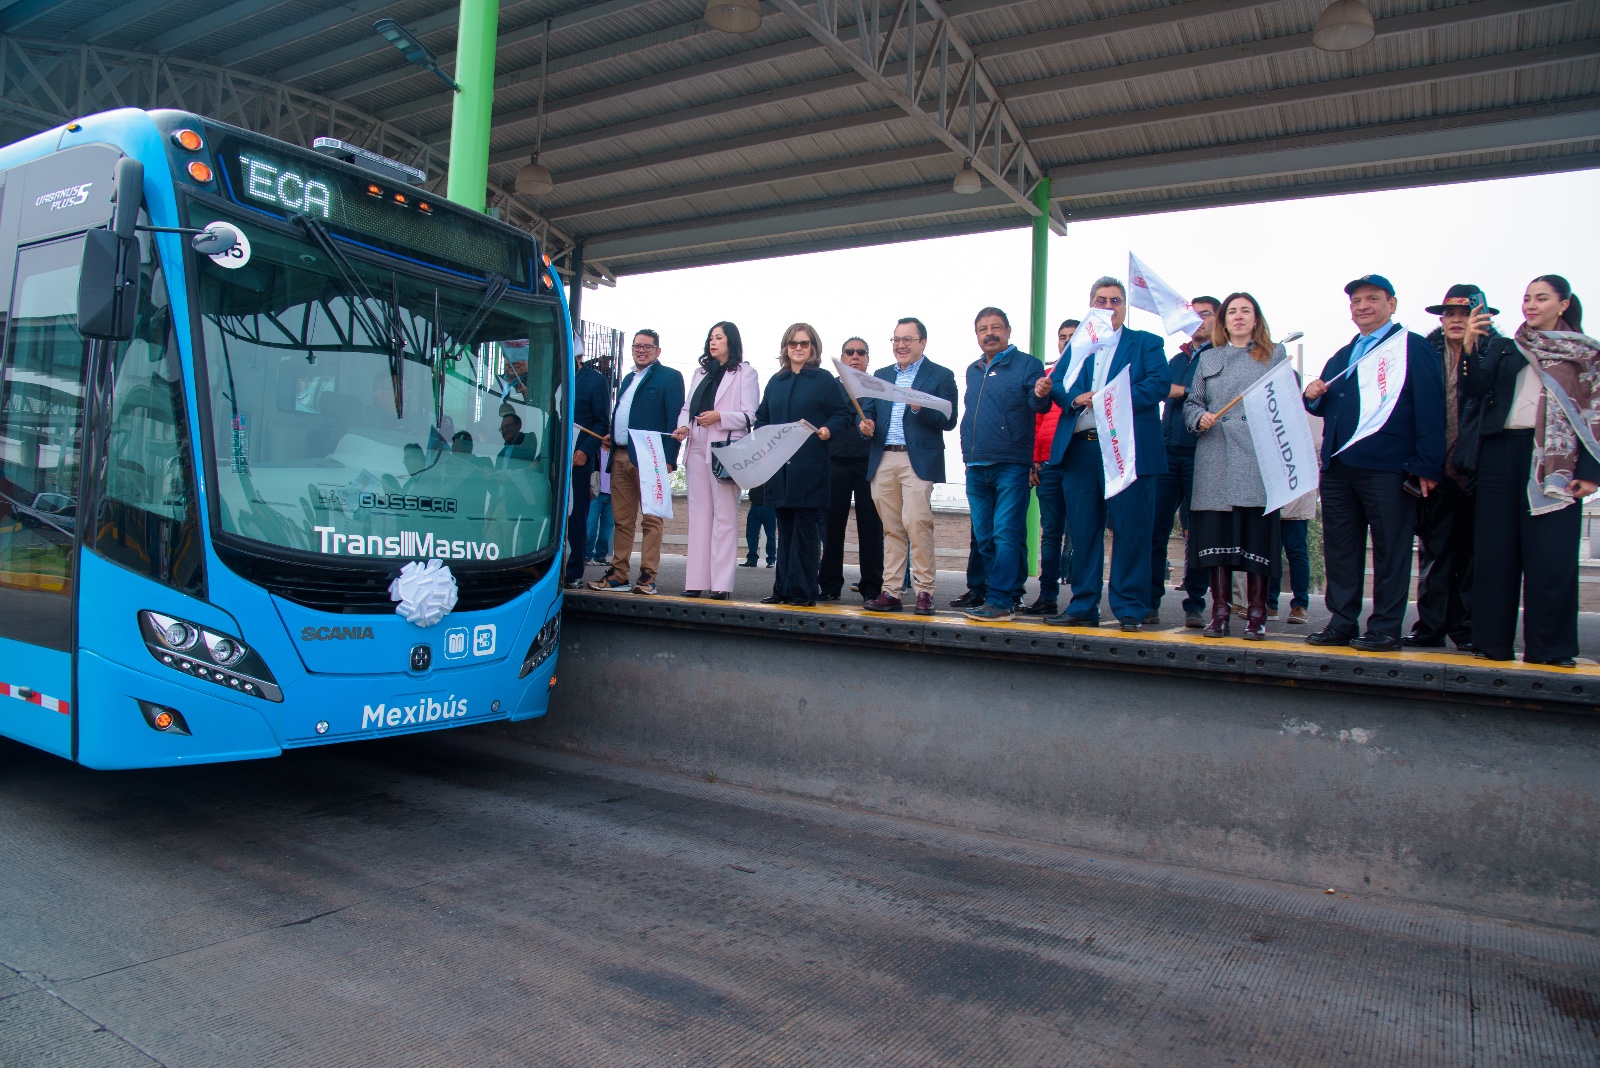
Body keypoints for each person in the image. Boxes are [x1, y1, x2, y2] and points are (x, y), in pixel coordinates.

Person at [1303, 275, 1445, 652]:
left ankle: (1385, 627)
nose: (1363, 306)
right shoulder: (1344, 353)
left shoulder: (1412, 347)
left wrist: (1427, 465)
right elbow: (1329, 403)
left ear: (1391, 304)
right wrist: (1312, 396)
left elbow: (1431, 408)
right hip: (1339, 468)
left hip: (1388, 466)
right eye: (1356, 301)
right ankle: (1342, 621)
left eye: (1372, 299)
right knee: (1341, 549)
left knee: (1390, 551)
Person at [1463, 275, 1596, 666]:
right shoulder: (1507, 347)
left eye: (1541, 298)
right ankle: (1491, 642)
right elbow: (1475, 391)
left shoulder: (1585, 353)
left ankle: (1551, 649)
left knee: (1552, 556)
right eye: (1526, 298)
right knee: (1495, 553)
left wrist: (1591, 473)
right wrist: (1470, 348)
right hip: (1500, 453)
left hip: (1557, 462)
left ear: (1564, 304)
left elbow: (1595, 413)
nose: (1531, 306)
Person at [1032, 278, 1171, 631]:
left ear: (1124, 306)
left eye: (1115, 300)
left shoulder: (1146, 343)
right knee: (1082, 532)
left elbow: (1157, 384)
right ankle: (1083, 605)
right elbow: (1058, 384)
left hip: (1127, 450)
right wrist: (1073, 399)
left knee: (1130, 531)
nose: (1108, 306)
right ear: (1091, 305)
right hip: (1080, 450)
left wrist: (1111, 398)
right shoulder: (1079, 346)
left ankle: (1130, 609)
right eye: (1101, 300)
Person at [1184, 293, 1288, 640]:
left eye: (1246, 310)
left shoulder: (1275, 354)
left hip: (1256, 458)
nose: (1239, 316)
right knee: (1217, 539)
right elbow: (1192, 402)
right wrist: (1199, 417)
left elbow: (1285, 402)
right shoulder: (1208, 357)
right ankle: (1219, 613)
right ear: (1224, 321)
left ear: (1256, 319)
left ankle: (1257, 614)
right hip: (1215, 455)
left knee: (1255, 537)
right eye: (1232, 311)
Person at [1407, 284, 1494, 651]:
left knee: (1475, 556)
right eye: (1449, 314)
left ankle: (1468, 629)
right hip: (1436, 470)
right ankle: (1430, 627)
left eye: (1465, 314)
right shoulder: (1426, 354)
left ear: (1481, 318)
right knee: (1435, 553)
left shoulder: (1497, 353)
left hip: (1480, 470)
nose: (1456, 320)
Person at [857, 318, 960, 614]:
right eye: (896, 340)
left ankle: (925, 590)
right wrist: (865, 424)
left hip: (917, 460)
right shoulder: (880, 376)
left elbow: (949, 419)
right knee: (891, 529)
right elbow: (867, 411)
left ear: (922, 343)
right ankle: (891, 592)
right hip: (883, 457)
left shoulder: (941, 375)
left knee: (917, 523)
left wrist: (919, 408)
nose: (900, 345)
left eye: (907, 339)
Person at [957, 307, 1044, 622]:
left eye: (996, 327)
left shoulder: (1028, 365)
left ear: (1008, 331)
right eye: (983, 329)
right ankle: (1001, 594)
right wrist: (967, 454)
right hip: (976, 464)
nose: (989, 333)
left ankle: (1001, 600)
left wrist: (1041, 392)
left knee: (1006, 533)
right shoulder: (973, 369)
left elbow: (1038, 404)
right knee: (984, 537)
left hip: (1011, 463)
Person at [755, 323, 851, 606]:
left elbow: (842, 414)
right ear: (785, 347)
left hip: (810, 466)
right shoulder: (776, 381)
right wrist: (763, 436)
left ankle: (803, 591)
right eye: (793, 343)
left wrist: (828, 429)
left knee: (806, 531)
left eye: (804, 343)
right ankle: (783, 589)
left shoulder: (824, 380)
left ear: (813, 347)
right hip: (780, 468)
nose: (798, 348)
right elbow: (762, 418)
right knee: (784, 529)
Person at [589, 329, 685, 597]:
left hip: (651, 458)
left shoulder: (670, 377)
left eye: (647, 346)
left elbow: (675, 420)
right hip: (620, 454)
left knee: (652, 519)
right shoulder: (629, 378)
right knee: (622, 520)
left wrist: (669, 459)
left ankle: (648, 576)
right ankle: (619, 573)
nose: (641, 350)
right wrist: (613, 434)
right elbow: (624, 413)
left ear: (658, 350)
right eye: (637, 346)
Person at [674, 321, 761, 600]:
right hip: (697, 443)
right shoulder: (700, 372)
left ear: (730, 341)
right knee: (699, 514)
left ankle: (721, 583)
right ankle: (696, 580)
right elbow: (687, 407)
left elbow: (750, 416)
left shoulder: (745, 373)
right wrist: (684, 426)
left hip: (725, 447)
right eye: (711, 337)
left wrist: (720, 416)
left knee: (724, 515)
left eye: (719, 337)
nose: (713, 342)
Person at [1150, 297, 1220, 627]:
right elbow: (1157, 388)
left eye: (1205, 314)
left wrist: (1183, 390)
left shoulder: (1221, 357)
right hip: (1166, 454)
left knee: (1198, 532)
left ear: (1218, 319)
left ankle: (1195, 602)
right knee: (1156, 529)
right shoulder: (1176, 358)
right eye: (1192, 315)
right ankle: (1149, 600)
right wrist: (1173, 389)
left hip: (1202, 452)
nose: (1198, 320)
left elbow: (1215, 398)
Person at [819, 337, 884, 603]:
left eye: (861, 352)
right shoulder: (830, 387)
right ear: (842, 357)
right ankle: (829, 584)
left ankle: (872, 586)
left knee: (871, 528)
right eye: (849, 352)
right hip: (835, 461)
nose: (855, 356)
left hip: (868, 463)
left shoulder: (877, 387)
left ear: (868, 359)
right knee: (832, 527)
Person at [1021, 319, 1079, 616]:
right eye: (1062, 336)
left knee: (1082, 533)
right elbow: (1036, 420)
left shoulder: (1091, 374)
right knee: (1051, 533)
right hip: (1048, 464)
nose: (1066, 341)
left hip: (1079, 461)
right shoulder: (1047, 377)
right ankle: (1047, 596)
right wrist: (1033, 459)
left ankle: (1083, 600)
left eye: (1073, 336)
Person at [562, 358, 610, 589]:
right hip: (552, 459)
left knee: (576, 517)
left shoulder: (595, 381)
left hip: (578, 460)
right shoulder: (550, 376)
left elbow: (601, 424)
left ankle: (574, 571)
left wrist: (585, 451)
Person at [585, 446, 613, 563]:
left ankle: (601, 555)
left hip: (612, 496)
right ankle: (586, 554)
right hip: (596, 494)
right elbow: (587, 470)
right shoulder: (595, 451)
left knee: (607, 529)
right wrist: (588, 487)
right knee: (591, 526)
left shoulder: (616, 452)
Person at [742, 483, 776, 568]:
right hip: (755, 504)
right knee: (751, 534)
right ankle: (752, 560)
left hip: (769, 505)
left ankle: (771, 560)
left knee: (770, 535)